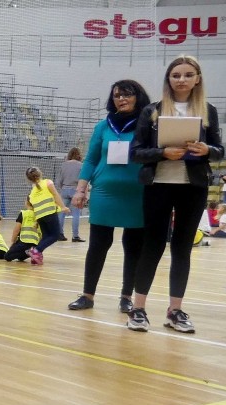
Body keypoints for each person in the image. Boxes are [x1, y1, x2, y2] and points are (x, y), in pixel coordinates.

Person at [127, 55, 224, 334]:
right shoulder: (152, 111)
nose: (181, 79)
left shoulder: (208, 110)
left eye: (187, 74)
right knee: (153, 246)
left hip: (193, 186)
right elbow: (136, 152)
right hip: (158, 184)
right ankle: (138, 308)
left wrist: (207, 150)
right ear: (168, 79)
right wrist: (162, 153)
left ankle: (175, 311)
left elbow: (220, 150)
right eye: (176, 75)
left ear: (197, 78)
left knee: (182, 248)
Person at [67, 79, 151, 313]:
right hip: (105, 193)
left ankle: (126, 297)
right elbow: (92, 159)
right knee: (97, 245)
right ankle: (87, 295)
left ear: (138, 96)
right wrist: (81, 189)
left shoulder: (148, 125)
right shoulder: (103, 127)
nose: (121, 99)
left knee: (133, 247)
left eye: (127, 94)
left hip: (138, 193)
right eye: (117, 95)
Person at [23, 167, 69, 265]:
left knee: (46, 236)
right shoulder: (48, 182)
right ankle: (36, 250)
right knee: (55, 235)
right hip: (50, 213)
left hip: (40, 216)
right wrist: (63, 207)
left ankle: (36, 256)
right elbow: (55, 195)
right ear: (40, 173)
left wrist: (36, 220)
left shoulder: (33, 191)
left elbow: (32, 206)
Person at [56, 147, 84, 242]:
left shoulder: (63, 165)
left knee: (62, 212)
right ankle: (75, 236)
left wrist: (62, 188)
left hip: (64, 189)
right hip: (75, 190)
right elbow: (83, 180)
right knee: (76, 214)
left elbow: (59, 180)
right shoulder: (81, 165)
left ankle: (59, 234)